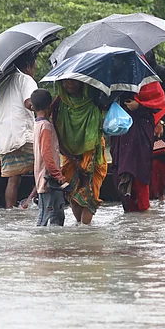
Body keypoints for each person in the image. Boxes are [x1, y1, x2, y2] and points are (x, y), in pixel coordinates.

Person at [51, 78, 108, 225]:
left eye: (73, 81)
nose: (69, 85)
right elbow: (57, 137)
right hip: (70, 156)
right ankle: (80, 231)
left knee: (91, 195)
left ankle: (85, 231)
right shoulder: (58, 104)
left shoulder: (94, 99)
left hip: (93, 154)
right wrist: (74, 160)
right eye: (65, 81)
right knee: (73, 194)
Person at [108, 80, 165, 212]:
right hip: (120, 129)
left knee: (140, 172)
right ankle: (129, 212)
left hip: (140, 128)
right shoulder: (113, 74)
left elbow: (158, 101)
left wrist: (139, 105)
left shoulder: (145, 76)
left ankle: (143, 213)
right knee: (120, 171)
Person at [0, 51, 38, 209]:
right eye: (34, 67)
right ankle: (28, 203)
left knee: (13, 179)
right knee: (46, 169)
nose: (34, 70)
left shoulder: (4, 83)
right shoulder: (26, 80)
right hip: (23, 136)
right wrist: (44, 110)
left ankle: (9, 210)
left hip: (5, 139)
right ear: (28, 66)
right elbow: (29, 103)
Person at [31, 89, 69, 226]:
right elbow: (47, 155)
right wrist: (58, 175)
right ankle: (41, 245)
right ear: (49, 107)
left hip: (44, 179)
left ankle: (52, 246)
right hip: (49, 180)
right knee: (46, 217)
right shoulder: (46, 127)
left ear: (32, 107)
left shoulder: (37, 125)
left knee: (56, 215)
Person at [144, 50, 165, 202]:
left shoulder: (161, 72)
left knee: (159, 159)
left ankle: (161, 196)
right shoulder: (134, 72)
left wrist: (161, 121)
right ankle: (147, 197)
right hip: (143, 120)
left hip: (161, 121)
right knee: (144, 161)